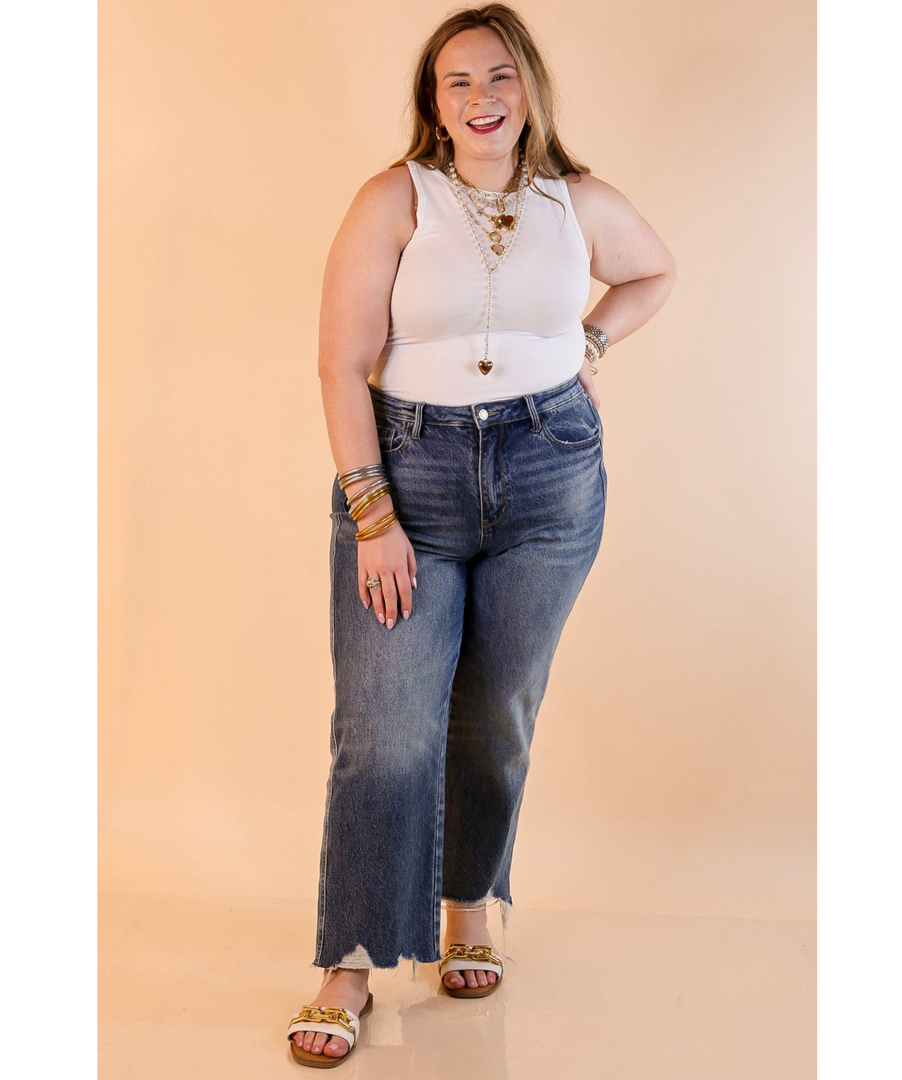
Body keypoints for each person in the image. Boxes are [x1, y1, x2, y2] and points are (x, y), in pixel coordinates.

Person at [287, 2, 675, 1066]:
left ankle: (468, 906)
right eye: (456, 82)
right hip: (410, 477)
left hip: (552, 477)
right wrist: (373, 512)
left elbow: (654, 272)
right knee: (386, 729)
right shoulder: (394, 199)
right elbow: (340, 360)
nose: (480, 98)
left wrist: (589, 337)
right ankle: (352, 962)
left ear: (530, 89)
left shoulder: (576, 201)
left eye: (498, 76)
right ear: (433, 102)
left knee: (496, 712)